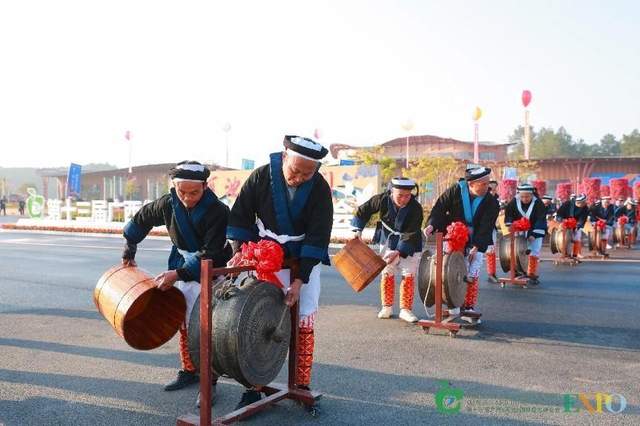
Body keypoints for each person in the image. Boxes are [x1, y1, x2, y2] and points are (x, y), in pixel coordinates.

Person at [226, 135, 332, 409]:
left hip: (301, 257)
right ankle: (253, 385)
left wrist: (300, 279)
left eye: (307, 174)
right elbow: (240, 215)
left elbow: (319, 234)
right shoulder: (262, 176)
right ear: (284, 157)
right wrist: (241, 249)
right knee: (254, 321)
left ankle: (301, 382)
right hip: (266, 255)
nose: (299, 178)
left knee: (304, 320)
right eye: (295, 171)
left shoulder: (319, 188)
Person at [120, 161, 231, 405]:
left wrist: (178, 274)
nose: (188, 198)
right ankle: (189, 370)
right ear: (174, 187)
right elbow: (143, 218)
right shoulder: (168, 204)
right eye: (182, 192)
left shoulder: (218, 211)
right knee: (182, 320)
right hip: (180, 263)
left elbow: (211, 251)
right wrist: (130, 246)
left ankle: (209, 382)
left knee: (205, 327)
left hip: (212, 269)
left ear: (205, 186)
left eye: (194, 193)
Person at [423, 166, 500, 322]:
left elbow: (487, 226)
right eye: (483, 184)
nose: (488, 187)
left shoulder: (491, 202)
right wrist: (432, 224)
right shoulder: (455, 191)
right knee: (451, 269)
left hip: (478, 236)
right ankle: (453, 305)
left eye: (488, 183)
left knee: (472, 271)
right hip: (454, 234)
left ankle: (469, 307)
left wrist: (476, 246)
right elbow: (439, 208)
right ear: (471, 184)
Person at [351, 177, 423, 322]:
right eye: (400, 195)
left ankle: (406, 309)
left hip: (410, 243)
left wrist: (399, 251)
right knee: (387, 272)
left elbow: (412, 231)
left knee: (408, 274)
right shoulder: (382, 199)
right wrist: (357, 231)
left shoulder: (416, 208)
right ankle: (387, 306)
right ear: (391, 191)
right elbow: (363, 211)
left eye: (407, 195)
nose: (404, 199)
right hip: (387, 240)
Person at [503, 184, 547, 285]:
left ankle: (531, 273)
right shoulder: (514, 201)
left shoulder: (538, 203)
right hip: (519, 230)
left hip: (534, 230)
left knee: (534, 251)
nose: (524, 199)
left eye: (527, 196)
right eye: (522, 196)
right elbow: (508, 214)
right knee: (518, 251)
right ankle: (518, 271)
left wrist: (534, 235)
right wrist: (511, 225)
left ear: (532, 195)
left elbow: (541, 219)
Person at [556, 193, 589, 259]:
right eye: (583, 202)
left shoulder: (585, 208)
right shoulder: (567, 204)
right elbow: (559, 213)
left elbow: (583, 219)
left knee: (577, 237)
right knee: (564, 238)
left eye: (585, 202)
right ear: (578, 202)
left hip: (576, 224)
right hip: (564, 222)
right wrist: (562, 220)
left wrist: (578, 226)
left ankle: (575, 254)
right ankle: (564, 253)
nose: (585, 203)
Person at [485, 180, 500, 283]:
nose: (492, 191)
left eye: (494, 189)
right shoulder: (482, 200)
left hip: (491, 228)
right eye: (490, 188)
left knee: (491, 251)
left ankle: (491, 273)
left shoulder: (495, 200)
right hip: (481, 228)